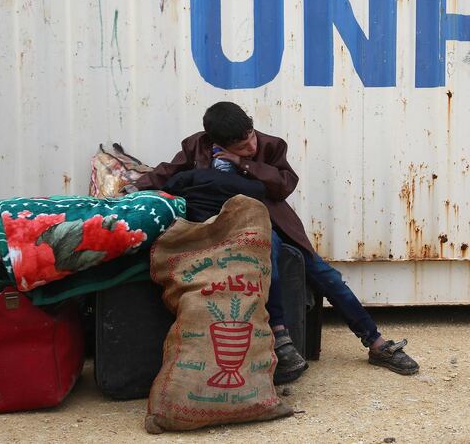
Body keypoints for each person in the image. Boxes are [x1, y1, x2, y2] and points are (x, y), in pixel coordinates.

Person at [132, 101, 419, 382]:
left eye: (251, 137)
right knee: (270, 257)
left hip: (271, 221)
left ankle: (377, 343)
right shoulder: (196, 146)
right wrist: (132, 187)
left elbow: (284, 184)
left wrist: (242, 162)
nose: (252, 147)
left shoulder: (271, 145)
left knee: (326, 277)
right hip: (222, 229)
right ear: (215, 140)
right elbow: (167, 173)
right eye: (243, 146)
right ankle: (280, 338)